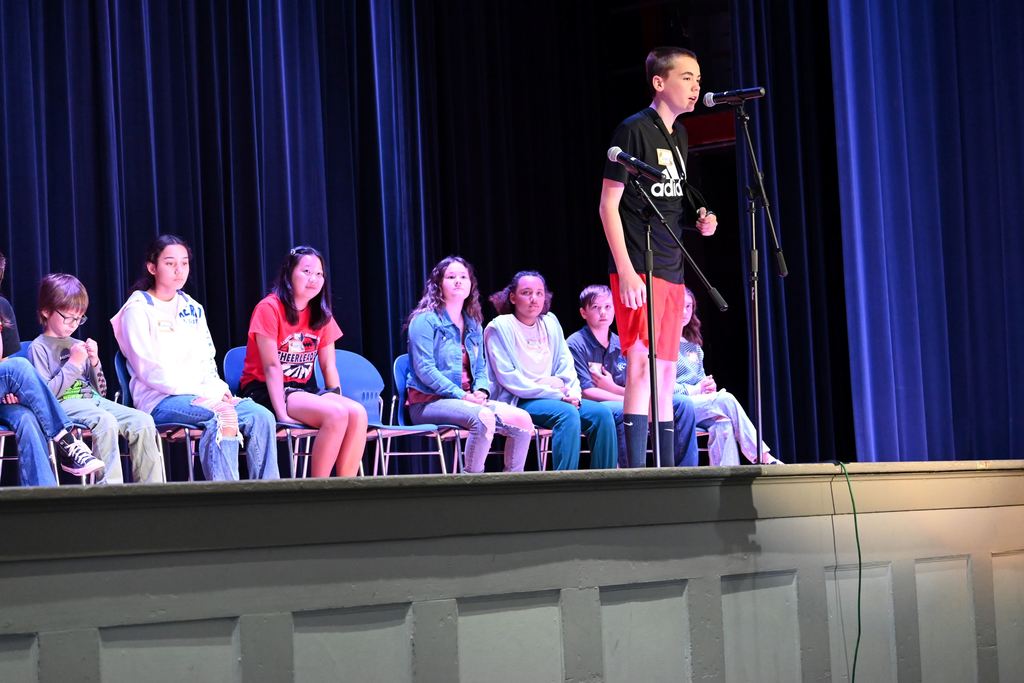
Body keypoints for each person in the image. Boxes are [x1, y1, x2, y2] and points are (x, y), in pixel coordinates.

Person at [598, 46, 717, 471]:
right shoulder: (632, 131)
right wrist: (627, 272)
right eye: (687, 78)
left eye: (698, 79)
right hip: (637, 266)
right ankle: (635, 472)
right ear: (659, 82)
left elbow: (666, 205)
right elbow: (608, 206)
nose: (695, 87)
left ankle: (666, 470)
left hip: (671, 265)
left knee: (667, 371)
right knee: (641, 364)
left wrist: (698, 219)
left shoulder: (680, 137)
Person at [111, 235, 279, 481]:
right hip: (161, 400)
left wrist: (219, 389)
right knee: (224, 415)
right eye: (170, 263)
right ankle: (225, 502)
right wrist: (203, 395)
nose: (179, 270)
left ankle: (269, 499)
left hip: (203, 395)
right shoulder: (137, 309)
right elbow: (149, 370)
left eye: (184, 263)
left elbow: (207, 360)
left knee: (261, 416)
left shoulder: (192, 307)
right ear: (152, 267)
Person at [238, 246, 367, 478]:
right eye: (307, 271)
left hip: (302, 390)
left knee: (357, 413)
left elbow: (329, 367)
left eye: (319, 274)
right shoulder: (269, 308)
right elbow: (271, 366)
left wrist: (335, 399)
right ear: (289, 274)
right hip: (266, 391)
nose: (314, 279)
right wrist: (282, 414)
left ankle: (346, 488)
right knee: (335, 415)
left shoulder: (321, 313)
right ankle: (320, 491)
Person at [29, 273, 164, 484]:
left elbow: (100, 392)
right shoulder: (38, 347)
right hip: (64, 405)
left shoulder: (76, 342)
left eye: (79, 318)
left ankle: (153, 491)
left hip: (92, 401)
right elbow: (47, 395)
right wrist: (73, 364)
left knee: (143, 421)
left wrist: (94, 362)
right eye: (68, 317)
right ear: (46, 311)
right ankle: (110, 490)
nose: (74, 324)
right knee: (105, 421)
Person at [405, 256, 534, 473]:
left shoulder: (473, 324)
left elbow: (481, 368)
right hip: (429, 402)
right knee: (482, 418)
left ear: (470, 285)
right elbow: (425, 369)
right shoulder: (424, 321)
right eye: (451, 277)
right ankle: (472, 486)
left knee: (522, 419)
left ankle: (511, 487)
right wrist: (462, 396)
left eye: (463, 277)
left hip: (468, 400)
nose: (458, 281)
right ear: (438, 285)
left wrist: (481, 390)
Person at [484, 271, 616, 470]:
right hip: (519, 399)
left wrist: (573, 394)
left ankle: (603, 486)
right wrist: (555, 393)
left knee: (602, 414)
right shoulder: (499, 327)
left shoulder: (550, 322)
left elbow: (566, 366)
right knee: (567, 415)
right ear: (513, 297)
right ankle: (564, 487)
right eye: (526, 293)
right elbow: (509, 379)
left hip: (557, 396)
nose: (534, 299)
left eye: (539, 293)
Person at [566, 284, 698, 467]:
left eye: (608, 307)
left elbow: (637, 385)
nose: (603, 313)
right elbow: (587, 391)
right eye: (596, 307)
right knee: (626, 411)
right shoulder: (575, 344)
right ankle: (631, 474)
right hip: (596, 404)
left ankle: (685, 471)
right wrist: (626, 399)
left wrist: (621, 392)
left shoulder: (621, 343)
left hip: (627, 397)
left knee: (683, 404)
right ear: (583, 312)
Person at [0, 252, 103, 484]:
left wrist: (11, 391)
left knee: (27, 417)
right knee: (20, 365)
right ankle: (66, 440)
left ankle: (42, 500)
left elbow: (4, 361)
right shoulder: (39, 347)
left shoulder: (1, 307)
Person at [675, 288, 781, 465]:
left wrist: (708, 388)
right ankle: (763, 456)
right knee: (727, 400)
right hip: (677, 405)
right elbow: (664, 388)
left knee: (723, 422)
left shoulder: (694, 347)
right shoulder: (662, 343)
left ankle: (725, 480)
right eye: (681, 306)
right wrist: (695, 389)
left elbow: (701, 380)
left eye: (689, 306)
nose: (685, 312)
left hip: (697, 405)